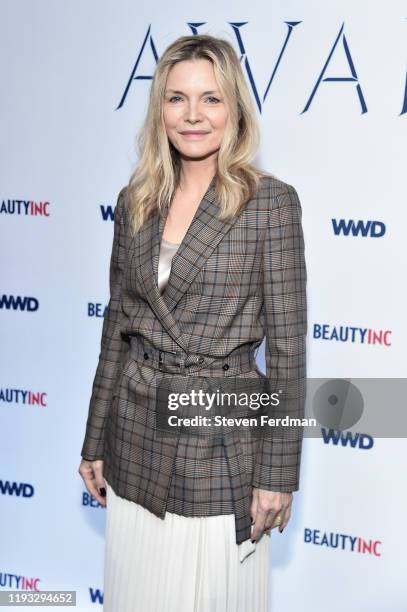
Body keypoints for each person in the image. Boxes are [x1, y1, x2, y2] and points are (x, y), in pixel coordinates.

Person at [78, 34, 307, 612]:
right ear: (160, 109)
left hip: (221, 441)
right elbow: (116, 330)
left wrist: (277, 474)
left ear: (234, 109)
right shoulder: (135, 200)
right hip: (132, 435)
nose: (193, 115)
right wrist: (93, 438)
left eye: (210, 99)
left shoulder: (269, 204)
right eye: (177, 99)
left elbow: (286, 349)